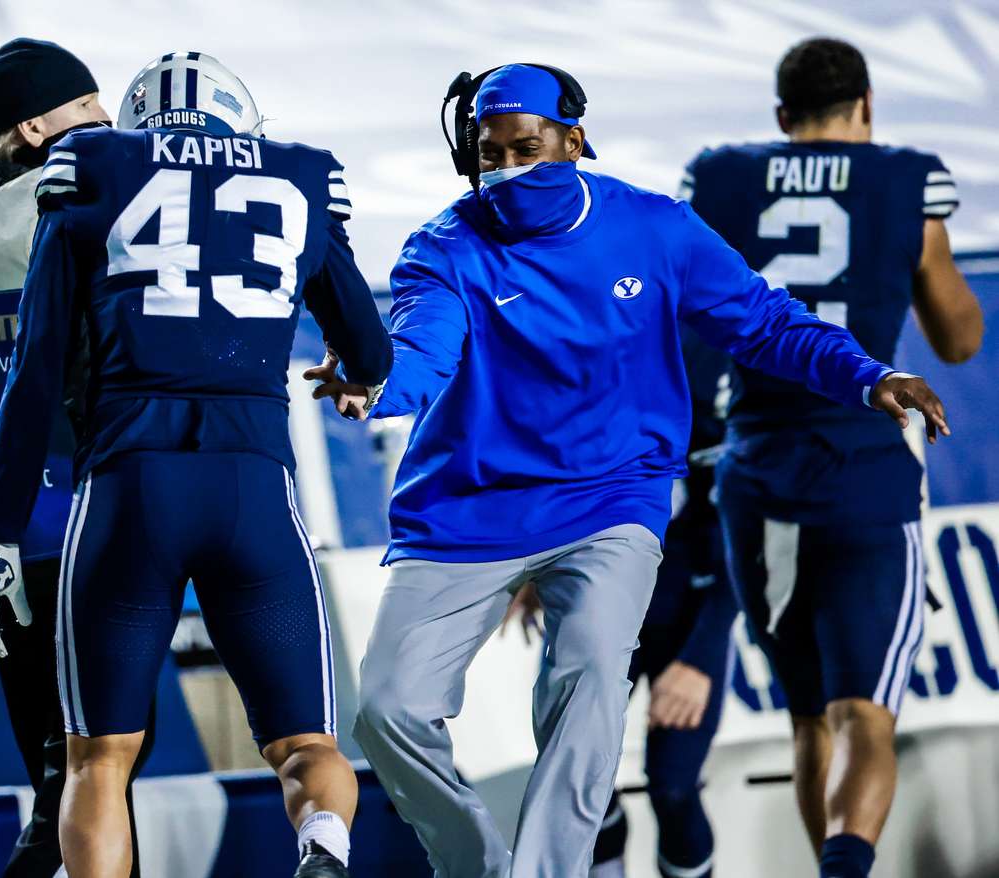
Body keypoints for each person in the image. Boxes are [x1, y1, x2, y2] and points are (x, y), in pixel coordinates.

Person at [306, 62, 951, 878]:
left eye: (527, 149)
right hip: (468, 511)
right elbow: (423, 352)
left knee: (586, 684)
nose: (507, 170)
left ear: (574, 140)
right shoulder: (443, 246)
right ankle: (477, 863)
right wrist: (377, 384)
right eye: (489, 155)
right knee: (390, 710)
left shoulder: (655, 230)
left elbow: (765, 322)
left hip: (611, 500)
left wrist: (867, 374)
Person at [0, 51, 392, 878]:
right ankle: (324, 847)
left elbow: (35, 375)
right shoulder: (299, 175)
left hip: (130, 485)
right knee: (306, 743)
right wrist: (356, 375)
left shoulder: (93, 166)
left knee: (99, 759)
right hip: (254, 486)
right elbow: (370, 346)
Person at [680, 37, 983, 878]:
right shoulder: (905, 177)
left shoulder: (719, 176)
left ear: (782, 117)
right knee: (865, 716)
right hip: (864, 470)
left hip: (758, 471)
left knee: (809, 716)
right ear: (868, 105)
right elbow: (959, 339)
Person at [0, 37, 153, 878]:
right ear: (35, 124)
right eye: (87, 110)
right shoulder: (66, 207)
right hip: (79, 520)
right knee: (99, 772)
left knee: (61, 771)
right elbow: (104, 363)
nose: (107, 123)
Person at [505, 326, 737, 878]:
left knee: (675, 788)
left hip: (687, 610)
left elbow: (747, 541)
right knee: (577, 781)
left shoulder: (716, 381)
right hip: (600, 612)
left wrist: (701, 657)